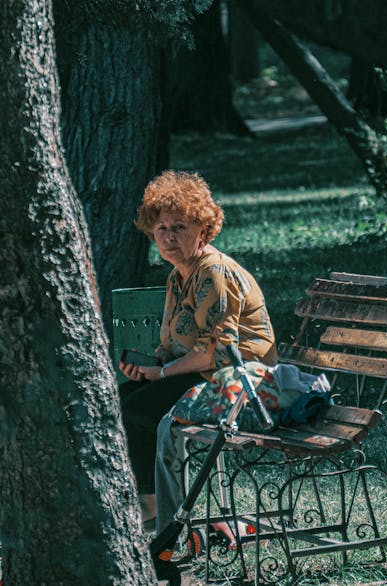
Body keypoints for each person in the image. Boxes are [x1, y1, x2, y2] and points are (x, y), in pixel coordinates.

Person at [119, 170, 278, 529]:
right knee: (122, 400)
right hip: (205, 376)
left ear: (203, 230)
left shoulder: (214, 272)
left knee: (139, 407)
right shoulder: (178, 275)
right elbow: (172, 346)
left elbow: (214, 353)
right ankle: (155, 504)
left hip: (245, 387)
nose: (169, 237)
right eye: (162, 229)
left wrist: (159, 374)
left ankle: (159, 508)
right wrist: (149, 366)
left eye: (180, 227)